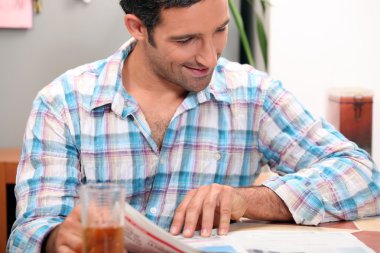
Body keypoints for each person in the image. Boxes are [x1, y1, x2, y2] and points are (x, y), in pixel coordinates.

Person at [7, 0, 380, 252]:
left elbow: (362, 175)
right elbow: (27, 233)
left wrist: (245, 199)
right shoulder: (63, 103)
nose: (209, 56)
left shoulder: (252, 94)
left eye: (220, 30)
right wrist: (56, 239)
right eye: (186, 40)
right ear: (137, 27)